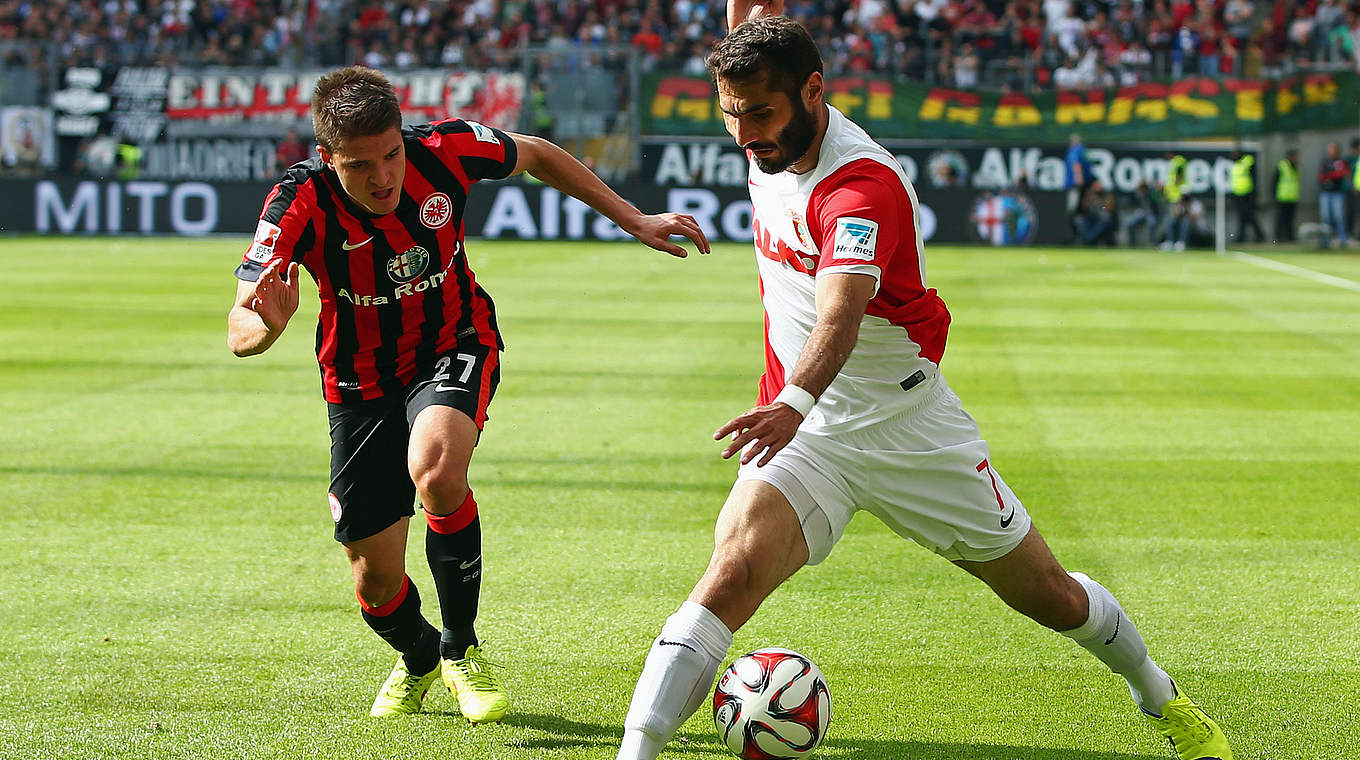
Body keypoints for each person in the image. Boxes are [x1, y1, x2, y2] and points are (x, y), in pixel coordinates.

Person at [615, 12, 1231, 760]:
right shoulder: (766, 131)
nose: (745, 136)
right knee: (731, 572)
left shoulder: (860, 185)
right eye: (731, 116)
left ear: (814, 90)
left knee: (1051, 596)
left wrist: (790, 402)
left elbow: (841, 313)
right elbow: (748, 20)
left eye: (762, 115)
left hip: (905, 428)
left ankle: (1158, 695)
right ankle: (636, 750)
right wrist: (799, 413)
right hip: (809, 437)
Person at [227, 66, 708, 724]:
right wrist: (268, 325)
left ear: (404, 137)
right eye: (360, 165)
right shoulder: (298, 200)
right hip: (359, 380)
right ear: (325, 158)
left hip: (453, 340)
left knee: (437, 468)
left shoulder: (446, 149)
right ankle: (422, 655)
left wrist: (632, 217)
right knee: (375, 582)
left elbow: (534, 152)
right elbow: (239, 325)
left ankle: (460, 649)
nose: (383, 177)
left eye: (391, 154)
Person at [1318, 141, 1349, 248]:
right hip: (1325, 193)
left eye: (1333, 148)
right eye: (1330, 149)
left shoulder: (1341, 161)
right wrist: (1333, 175)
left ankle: (1343, 240)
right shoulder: (1325, 161)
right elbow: (1321, 177)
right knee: (1326, 218)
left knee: (1339, 217)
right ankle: (1325, 241)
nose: (1331, 151)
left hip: (1337, 193)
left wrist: (1330, 175)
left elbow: (1344, 173)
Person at [1230, 150, 1264, 243]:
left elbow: (1253, 176)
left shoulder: (1247, 162)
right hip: (1237, 194)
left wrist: (1254, 193)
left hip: (1247, 194)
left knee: (1247, 215)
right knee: (1244, 216)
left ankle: (1244, 236)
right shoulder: (1235, 165)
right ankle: (1257, 235)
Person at [1159, 151, 1190, 251]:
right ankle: (1176, 242)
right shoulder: (1176, 162)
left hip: (1178, 197)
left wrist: (1180, 199)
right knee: (1175, 221)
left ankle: (1176, 242)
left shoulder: (1178, 162)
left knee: (1174, 221)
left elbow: (1178, 178)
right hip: (1174, 197)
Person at [1065, 132, 1091, 243]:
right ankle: (1084, 236)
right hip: (1085, 185)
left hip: (1076, 186)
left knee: (1073, 211)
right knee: (1082, 212)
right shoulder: (1083, 150)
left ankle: (1076, 238)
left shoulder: (1074, 151)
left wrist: (1078, 180)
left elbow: (1076, 165)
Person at [1077, 177, 1117, 245]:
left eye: (1099, 185)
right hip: (1093, 218)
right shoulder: (1090, 195)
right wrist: (1089, 195)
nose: (1097, 187)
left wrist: (1099, 201)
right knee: (1081, 220)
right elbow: (1085, 208)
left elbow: (1108, 209)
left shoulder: (1108, 196)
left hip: (1104, 219)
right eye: (1095, 185)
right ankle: (1090, 238)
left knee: (1104, 220)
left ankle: (1089, 239)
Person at [1122, 178, 1162, 246]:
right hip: (1139, 213)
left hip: (1150, 213)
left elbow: (1157, 205)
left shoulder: (1152, 193)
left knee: (1152, 223)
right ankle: (1132, 243)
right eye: (1141, 187)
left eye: (1143, 187)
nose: (1142, 189)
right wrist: (1136, 211)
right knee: (1129, 223)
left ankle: (1152, 242)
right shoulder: (1135, 194)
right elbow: (1131, 205)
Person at [1275, 148, 1299, 243]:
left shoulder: (1296, 166)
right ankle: (1279, 237)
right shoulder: (1282, 166)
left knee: (1290, 219)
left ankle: (1290, 237)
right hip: (1282, 196)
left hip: (1292, 197)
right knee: (1281, 219)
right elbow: (1275, 181)